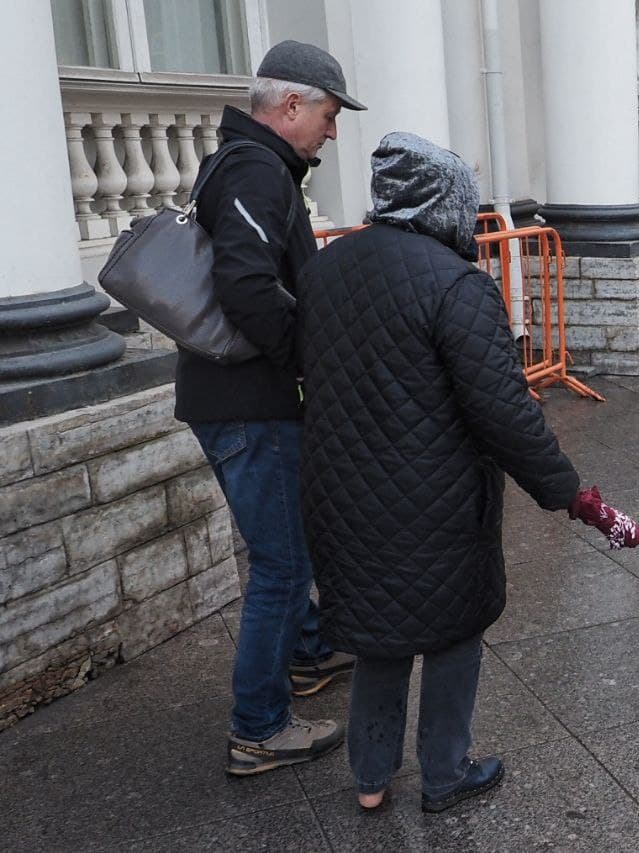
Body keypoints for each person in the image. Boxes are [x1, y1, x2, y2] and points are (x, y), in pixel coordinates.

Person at [298, 133, 639, 813]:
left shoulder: (327, 267)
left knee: (378, 636)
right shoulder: (458, 286)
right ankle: (445, 775)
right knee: (452, 632)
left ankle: (370, 780)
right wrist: (571, 495)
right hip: (436, 504)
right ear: (446, 204)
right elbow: (506, 414)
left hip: (342, 497)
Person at [174, 40, 366, 776]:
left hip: (234, 400)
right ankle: (258, 726)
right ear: (290, 105)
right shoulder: (256, 170)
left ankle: (311, 652)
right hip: (248, 406)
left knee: (289, 548)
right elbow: (249, 288)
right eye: (328, 112)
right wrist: (312, 362)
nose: (333, 129)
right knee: (283, 565)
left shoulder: (246, 162)